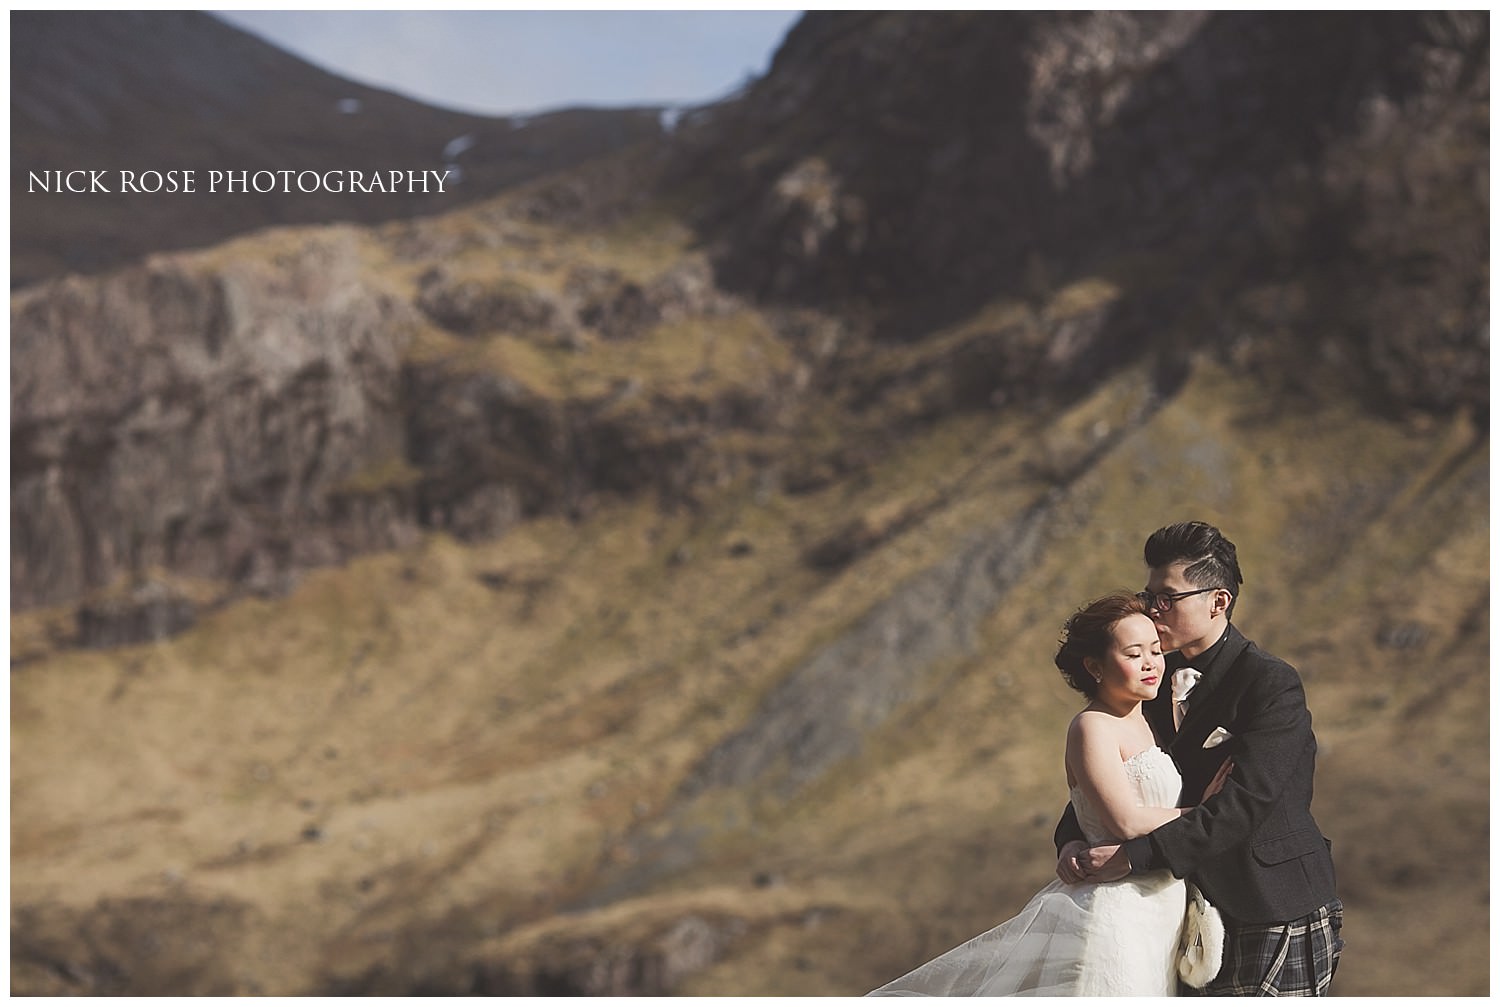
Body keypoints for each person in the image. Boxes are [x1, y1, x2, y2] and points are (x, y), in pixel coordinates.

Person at [869, 593, 1229, 996]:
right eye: (1133, 654)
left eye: (1155, 650)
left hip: (1160, 910)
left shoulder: (1148, 721)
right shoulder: (1091, 727)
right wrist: (1203, 810)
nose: (1151, 663)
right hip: (1117, 909)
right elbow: (1124, 820)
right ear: (1095, 667)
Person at [1055, 521, 1343, 996]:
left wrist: (1133, 857)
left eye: (1167, 598)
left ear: (1218, 601)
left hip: (1270, 906)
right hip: (1179, 915)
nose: (1152, 609)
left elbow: (1246, 804)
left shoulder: (1270, 684)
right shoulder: (1146, 680)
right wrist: (1072, 841)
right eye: (1148, 596)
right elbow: (1112, 781)